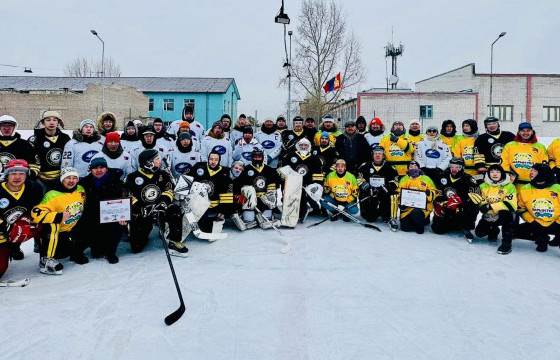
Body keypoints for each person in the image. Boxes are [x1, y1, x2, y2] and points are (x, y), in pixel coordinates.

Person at [124, 149, 187, 255]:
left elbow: (169, 191)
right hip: (143, 212)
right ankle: (144, 231)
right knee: (136, 248)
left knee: (174, 210)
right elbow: (128, 196)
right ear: (149, 163)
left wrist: (162, 203)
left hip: (160, 209)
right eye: (157, 159)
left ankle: (174, 240)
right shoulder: (132, 177)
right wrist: (141, 208)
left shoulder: (163, 175)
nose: (160, 161)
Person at [32, 167, 87, 275]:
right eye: (68, 178)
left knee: (87, 226)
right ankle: (46, 259)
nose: (71, 181)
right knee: (53, 228)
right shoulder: (52, 194)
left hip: (72, 226)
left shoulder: (80, 189)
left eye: (74, 177)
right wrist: (58, 216)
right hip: (57, 231)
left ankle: (76, 253)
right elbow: (36, 214)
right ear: (62, 179)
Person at [77, 158, 127, 264]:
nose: (99, 170)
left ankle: (111, 252)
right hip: (92, 216)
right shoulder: (84, 183)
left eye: (102, 167)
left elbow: (122, 202)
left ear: (106, 169)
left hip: (110, 216)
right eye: (95, 168)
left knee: (118, 226)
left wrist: (123, 216)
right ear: (91, 169)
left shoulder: (116, 181)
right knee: (96, 253)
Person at [0, 160, 43, 276]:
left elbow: (39, 211)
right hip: (2, 233)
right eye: (13, 173)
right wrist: (5, 227)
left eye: (21, 173)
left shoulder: (34, 188)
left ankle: (46, 259)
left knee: (44, 224)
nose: (17, 177)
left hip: (19, 226)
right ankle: (10, 248)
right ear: (7, 174)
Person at [431, 157, 480, 241]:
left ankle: (466, 227)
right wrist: (439, 203)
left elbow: (476, 196)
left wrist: (458, 201)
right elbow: (437, 191)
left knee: (472, 205)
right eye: (452, 167)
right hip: (447, 206)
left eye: (457, 167)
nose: (454, 169)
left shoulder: (468, 179)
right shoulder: (443, 176)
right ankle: (450, 221)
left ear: (462, 168)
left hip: (461, 208)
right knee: (437, 229)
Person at [472, 164, 517, 254]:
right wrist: (483, 205)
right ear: (488, 174)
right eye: (492, 172)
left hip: (502, 216)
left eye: (498, 172)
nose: (495, 174)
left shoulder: (510, 186)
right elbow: (481, 200)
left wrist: (490, 206)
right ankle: (494, 229)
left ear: (502, 174)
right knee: (479, 233)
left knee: (506, 213)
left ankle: (506, 244)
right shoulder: (483, 186)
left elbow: (511, 204)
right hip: (488, 216)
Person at [515, 163, 560, 253]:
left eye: (535, 171)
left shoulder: (557, 188)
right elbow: (521, 208)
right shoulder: (525, 188)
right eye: (531, 170)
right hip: (536, 223)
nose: (531, 173)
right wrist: (532, 221)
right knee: (513, 231)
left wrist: (557, 222)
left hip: (556, 223)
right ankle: (542, 238)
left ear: (543, 174)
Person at [232, 149, 281, 230]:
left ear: (262, 158)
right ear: (252, 157)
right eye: (255, 157)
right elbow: (237, 186)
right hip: (249, 201)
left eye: (259, 157)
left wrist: (271, 202)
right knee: (249, 220)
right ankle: (251, 217)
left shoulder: (269, 170)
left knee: (267, 219)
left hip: (264, 200)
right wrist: (240, 203)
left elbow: (275, 186)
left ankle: (266, 216)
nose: (257, 159)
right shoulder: (245, 170)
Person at [185, 151, 233, 232]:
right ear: (208, 159)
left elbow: (227, 193)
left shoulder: (225, 172)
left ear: (219, 161)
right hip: (197, 204)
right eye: (211, 159)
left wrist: (223, 211)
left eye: (216, 160)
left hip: (214, 206)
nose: (213, 162)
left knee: (206, 229)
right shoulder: (199, 166)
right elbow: (186, 178)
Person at [390, 161, 438, 233]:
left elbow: (435, 191)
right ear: (408, 169)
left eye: (415, 166)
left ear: (419, 168)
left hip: (422, 208)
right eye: (411, 167)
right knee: (405, 228)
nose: (413, 168)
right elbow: (399, 192)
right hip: (407, 208)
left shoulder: (426, 178)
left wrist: (429, 194)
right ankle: (416, 221)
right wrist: (401, 203)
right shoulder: (404, 179)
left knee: (416, 212)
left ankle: (421, 225)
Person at [28, 111, 71, 190]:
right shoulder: (35, 139)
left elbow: (69, 158)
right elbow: (31, 160)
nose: (52, 123)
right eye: (48, 120)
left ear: (58, 123)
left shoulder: (65, 138)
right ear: (43, 123)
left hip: (61, 179)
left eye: (54, 120)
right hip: (41, 180)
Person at [500, 122, 548, 192]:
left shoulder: (540, 146)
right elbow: (504, 162)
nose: (525, 133)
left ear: (532, 132)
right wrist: (507, 177)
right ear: (519, 132)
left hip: (533, 183)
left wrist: (540, 178)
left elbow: (544, 165)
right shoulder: (510, 145)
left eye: (528, 130)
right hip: (514, 183)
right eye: (523, 131)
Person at [356, 145, 399, 223]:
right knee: (369, 218)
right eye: (375, 153)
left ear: (383, 155)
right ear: (372, 155)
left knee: (391, 197)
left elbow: (395, 181)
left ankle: (385, 213)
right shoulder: (365, 166)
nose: (378, 155)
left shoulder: (390, 167)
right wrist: (367, 187)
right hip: (370, 193)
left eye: (380, 153)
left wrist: (386, 187)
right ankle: (371, 212)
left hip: (383, 193)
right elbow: (359, 178)